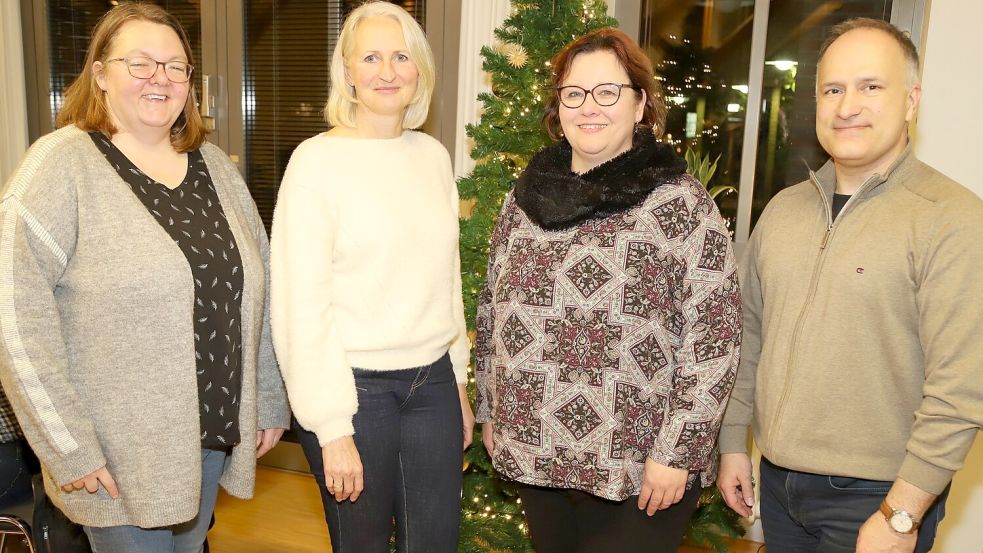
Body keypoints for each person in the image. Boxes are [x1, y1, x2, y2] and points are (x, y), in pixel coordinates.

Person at [0, 4, 290, 552]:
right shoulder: (61, 165)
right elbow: (14, 314)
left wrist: (268, 398)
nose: (160, 77)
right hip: (116, 455)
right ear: (101, 74)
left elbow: (261, 286)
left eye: (174, 65)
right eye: (139, 62)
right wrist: (67, 446)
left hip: (208, 437)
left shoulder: (214, 166)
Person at [717, 17, 983, 553]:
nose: (847, 106)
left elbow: (962, 386)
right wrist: (732, 444)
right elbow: (748, 339)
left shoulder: (951, 218)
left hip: (878, 495)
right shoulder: (784, 211)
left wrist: (902, 515)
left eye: (870, 86)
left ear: (911, 100)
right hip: (778, 481)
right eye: (833, 89)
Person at [474, 28, 741, 553]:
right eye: (573, 94)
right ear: (558, 108)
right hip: (536, 447)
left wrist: (679, 451)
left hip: (641, 468)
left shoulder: (681, 204)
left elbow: (715, 337)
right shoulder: (525, 198)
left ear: (641, 104)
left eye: (608, 91)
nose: (588, 107)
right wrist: (492, 409)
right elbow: (491, 309)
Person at [269, 2, 473, 552]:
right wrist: (331, 427)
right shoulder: (316, 164)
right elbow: (299, 307)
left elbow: (445, 280)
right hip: (353, 392)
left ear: (419, 71)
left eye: (401, 56)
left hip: (431, 385)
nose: (387, 71)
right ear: (348, 73)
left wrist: (458, 381)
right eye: (372, 57)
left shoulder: (432, 156)